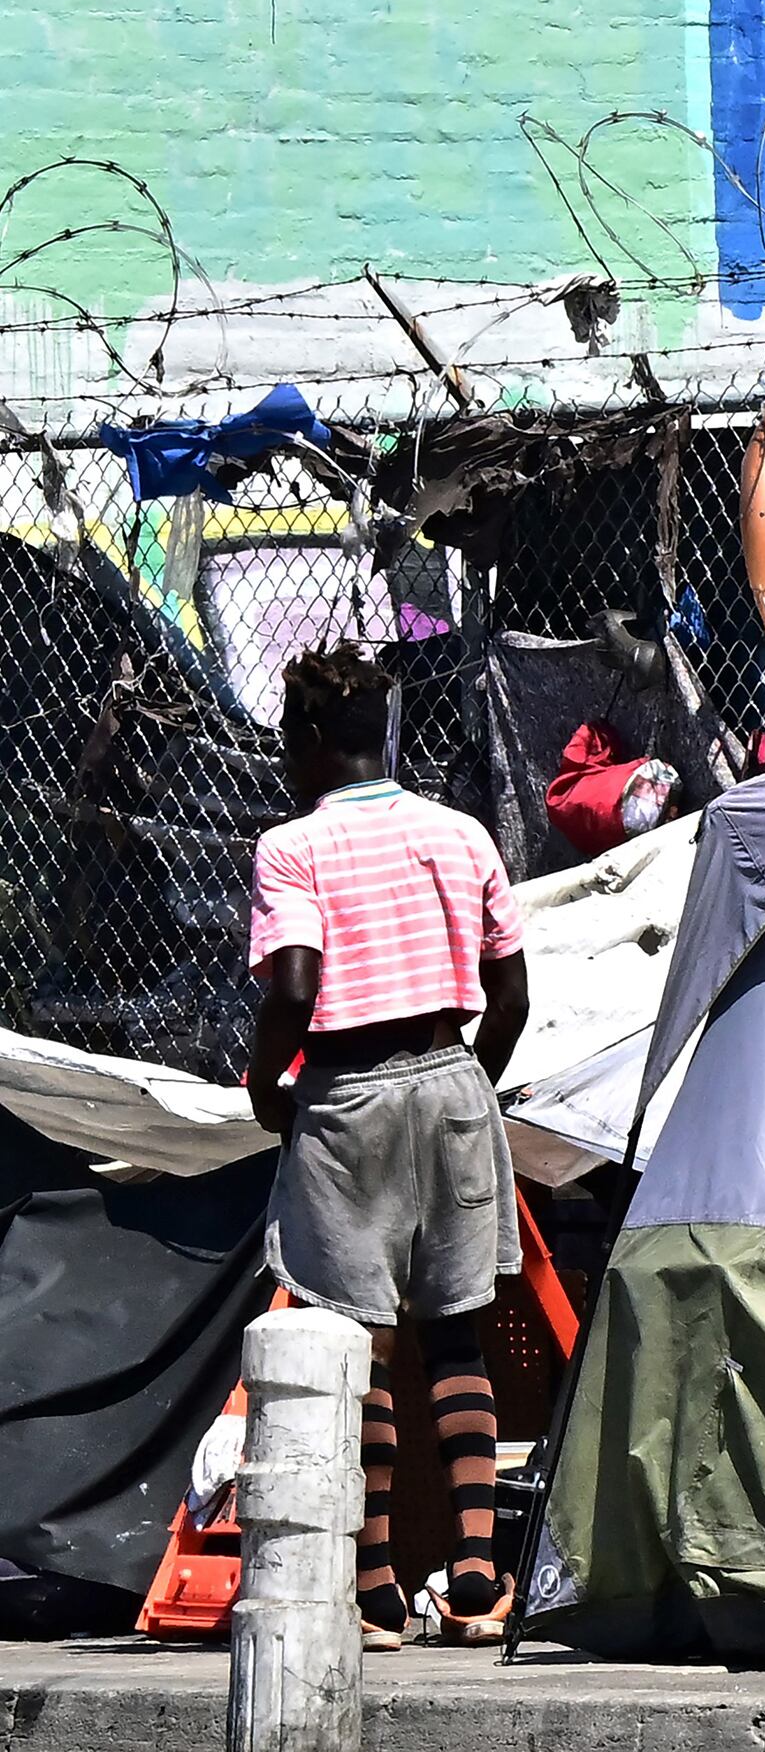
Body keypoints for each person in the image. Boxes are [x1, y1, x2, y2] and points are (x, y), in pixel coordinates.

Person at [244, 646, 530, 1649]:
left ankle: (373, 1593)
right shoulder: (461, 835)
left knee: (355, 1345)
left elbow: (291, 984)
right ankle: (480, 1579)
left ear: (314, 742)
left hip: (347, 1097)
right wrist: (469, 1087)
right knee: (457, 1336)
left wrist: (263, 1084)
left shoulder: (292, 847)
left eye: (288, 743)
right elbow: (512, 988)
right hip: (453, 1077)